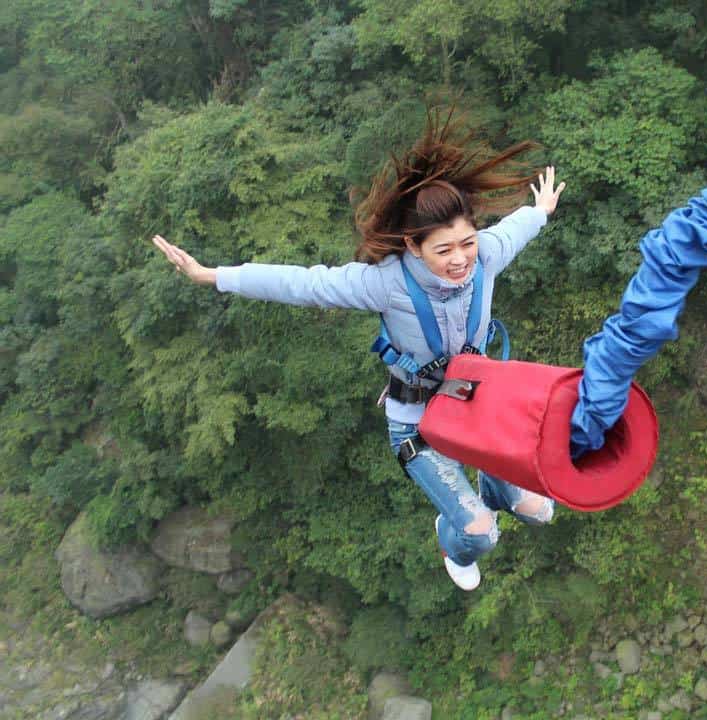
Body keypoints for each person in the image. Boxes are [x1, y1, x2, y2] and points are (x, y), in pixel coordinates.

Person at [152, 110, 566, 590]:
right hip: (420, 426)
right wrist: (214, 275)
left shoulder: (485, 256)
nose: (460, 260)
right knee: (479, 535)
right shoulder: (385, 285)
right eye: (444, 250)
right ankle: (452, 533)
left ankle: (493, 488)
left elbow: (517, 228)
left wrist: (541, 209)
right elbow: (302, 283)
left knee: (541, 510)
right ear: (413, 246)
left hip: (476, 411)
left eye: (467, 243)